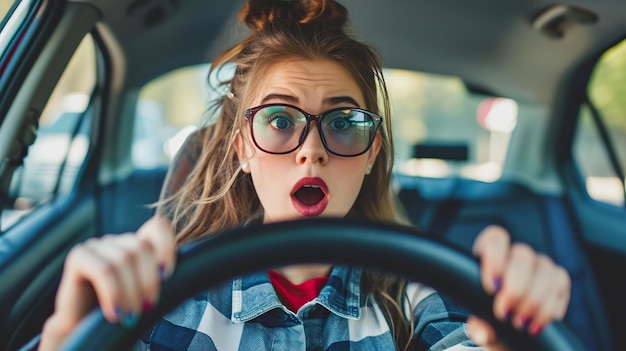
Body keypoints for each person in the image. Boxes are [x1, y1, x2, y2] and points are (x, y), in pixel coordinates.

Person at [33, 0, 571, 350]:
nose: (311, 150)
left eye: (343, 124)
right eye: (279, 120)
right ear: (243, 147)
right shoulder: (166, 304)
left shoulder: (416, 295)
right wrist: (69, 339)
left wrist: (506, 336)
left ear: (369, 152)